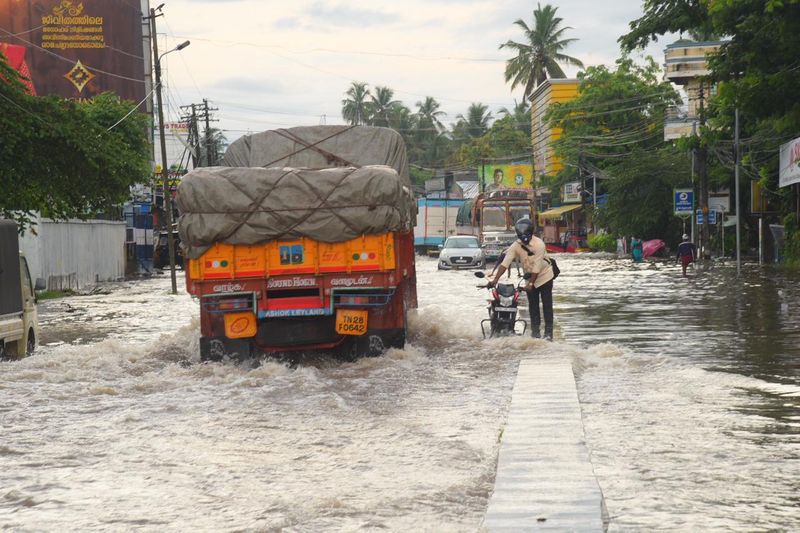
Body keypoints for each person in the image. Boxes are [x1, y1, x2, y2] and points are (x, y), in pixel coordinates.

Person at [487, 218, 555, 340]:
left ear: (531, 231)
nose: (524, 235)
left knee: (546, 305)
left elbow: (537, 266)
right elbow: (505, 263)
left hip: (545, 276)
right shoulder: (516, 246)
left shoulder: (539, 244)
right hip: (530, 278)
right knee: (533, 306)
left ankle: (549, 333)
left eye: (526, 232)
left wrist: (531, 284)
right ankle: (535, 333)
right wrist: (495, 279)